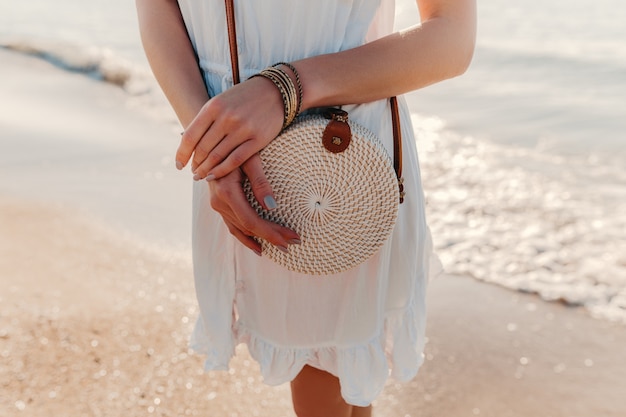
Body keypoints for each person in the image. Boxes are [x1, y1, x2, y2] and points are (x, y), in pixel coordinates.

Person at [136, 0, 475, 415]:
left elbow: (452, 39)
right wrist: (213, 150)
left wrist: (284, 89)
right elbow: (157, 13)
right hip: (234, 151)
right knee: (335, 381)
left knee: (333, 377)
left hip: (343, 159)